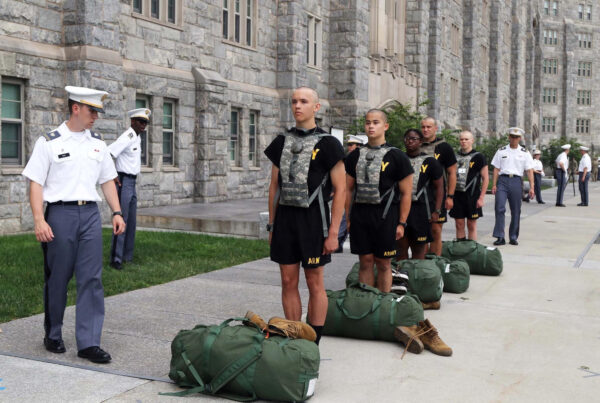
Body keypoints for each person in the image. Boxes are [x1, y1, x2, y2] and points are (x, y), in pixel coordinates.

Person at [22, 86, 126, 363]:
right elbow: (36, 182)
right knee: (58, 278)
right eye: (92, 111)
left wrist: (116, 212)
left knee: (92, 279)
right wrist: (38, 219)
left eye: (97, 112)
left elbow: (106, 179)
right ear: (75, 108)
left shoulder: (98, 143)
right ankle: (53, 333)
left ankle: (89, 343)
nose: (96, 117)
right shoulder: (49, 142)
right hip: (60, 215)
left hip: (90, 215)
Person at [264, 87, 345, 345]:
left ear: (316, 107)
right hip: (286, 221)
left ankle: (313, 342)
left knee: (314, 281)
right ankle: (294, 336)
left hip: (314, 222)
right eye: (294, 101)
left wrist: (334, 233)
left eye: (303, 101)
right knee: (288, 280)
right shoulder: (281, 141)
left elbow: (341, 189)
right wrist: (272, 226)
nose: (297, 106)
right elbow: (274, 187)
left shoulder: (329, 143)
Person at [344, 109, 413, 292]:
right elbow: (347, 190)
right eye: (368, 122)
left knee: (383, 263)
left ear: (385, 126)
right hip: (361, 216)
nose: (371, 126)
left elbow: (406, 193)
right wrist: (348, 218)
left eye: (375, 122)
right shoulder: (354, 156)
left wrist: (402, 223)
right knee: (365, 261)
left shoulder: (397, 156)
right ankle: (367, 303)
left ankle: (383, 303)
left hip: (386, 216)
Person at [108, 108, 151, 270]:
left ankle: (127, 256)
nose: (143, 126)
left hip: (132, 183)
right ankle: (116, 259)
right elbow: (108, 153)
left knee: (131, 221)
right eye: (141, 122)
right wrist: (112, 175)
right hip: (124, 181)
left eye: (146, 123)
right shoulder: (128, 136)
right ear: (132, 121)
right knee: (121, 220)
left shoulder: (137, 138)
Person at [397, 129, 444, 261]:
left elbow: (439, 187)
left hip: (421, 210)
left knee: (419, 250)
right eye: (407, 139)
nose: (410, 141)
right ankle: (401, 277)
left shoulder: (430, 161)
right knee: (401, 249)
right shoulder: (399, 159)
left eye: (414, 139)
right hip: (400, 209)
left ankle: (418, 277)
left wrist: (437, 210)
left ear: (421, 141)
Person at [491, 127, 535, 246]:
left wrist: (532, 187)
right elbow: (496, 168)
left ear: (520, 138)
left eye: (516, 137)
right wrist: (494, 184)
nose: (514, 139)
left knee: (516, 210)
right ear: (509, 137)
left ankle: (513, 236)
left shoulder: (525, 153)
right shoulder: (501, 151)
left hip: (516, 181)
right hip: (503, 180)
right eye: (512, 137)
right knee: (499, 207)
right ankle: (500, 236)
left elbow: (529, 170)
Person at [420, 117, 457, 255]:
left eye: (429, 127)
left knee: (435, 230)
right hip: (419, 196)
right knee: (421, 231)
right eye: (423, 127)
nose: (425, 129)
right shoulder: (416, 145)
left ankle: (435, 261)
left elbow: (452, 172)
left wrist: (450, 196)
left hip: (438, 195)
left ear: (436, 128)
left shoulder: (444, 147)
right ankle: (422, 263)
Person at [449, 130, 489, 241]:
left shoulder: (479, 157)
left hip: (472, 196)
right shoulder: (454, 157)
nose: (463, 141)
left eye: (466, 139)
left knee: (471, 225)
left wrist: (481, 198)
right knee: (459, 224)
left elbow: (485, 178)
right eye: (461, 139)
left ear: (472, 141)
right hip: (457, 195)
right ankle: (461, 248)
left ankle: (471, 249)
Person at [336, 134, 367, 253]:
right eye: (348, 145)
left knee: (346, 218)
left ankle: (339, 240)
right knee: (344, 217)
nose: (349, 147)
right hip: (345, 191)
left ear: (359, 146)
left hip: (355, 193)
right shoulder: (348, 157)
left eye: (351, 144)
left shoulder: (361, 157)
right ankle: (339, 241)